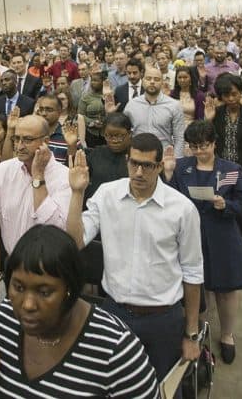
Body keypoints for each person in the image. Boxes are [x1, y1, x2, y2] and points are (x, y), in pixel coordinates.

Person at [66, 133, 203, 389]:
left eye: (147, 166)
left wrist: (191, 334)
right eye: (134, 163)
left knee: (163, 388)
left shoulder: (182, 209)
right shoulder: (108, 195)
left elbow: (193, 273)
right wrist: (77, 193)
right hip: (115, 313)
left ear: (160, 166)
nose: (139, 172)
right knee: (109, 387)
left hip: (162, 319)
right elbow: (75, 242)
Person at [0, 225, 159, 398]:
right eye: (18, 288)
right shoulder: (2, 323)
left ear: (69, 289)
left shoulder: (116, 349)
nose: (27, 304)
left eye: (44, 292)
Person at [170, 120, 242, 364]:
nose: (200, 151)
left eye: (205, 145)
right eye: (194, 146)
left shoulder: (231, 169)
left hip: (222, 236)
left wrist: (226, 205)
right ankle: (196, 332)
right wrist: (165, 174)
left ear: (215, 143)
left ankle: (227, 334)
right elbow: (170, 197)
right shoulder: (181, 167)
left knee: (225, 290)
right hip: (189, 236)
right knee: (194, 287)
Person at [0, 116, 71, 255]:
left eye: (28, 139)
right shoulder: (2, 171)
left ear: (46, 141)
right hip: (13, 263)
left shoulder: (65, 177)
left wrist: (38, 176)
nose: (20, 146)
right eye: (16, 139)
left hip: (49, 266)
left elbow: (56, 227)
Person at [205, 73, 242, 263]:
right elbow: (205, 140)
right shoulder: (217, 115)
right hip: (221, 174)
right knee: (222, 212)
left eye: (234, 94)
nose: (231, 99)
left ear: (240, 93)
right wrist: (208, 120)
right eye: (226, 95)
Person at [124, 66, 187, 157]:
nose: (152, 82)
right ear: (143, 80)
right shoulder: (132, 105)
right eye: (148, 78)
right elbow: (125, 133)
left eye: (156, 79)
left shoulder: (174, 105)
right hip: (137, 156)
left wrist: (177, 161)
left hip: (163, 157)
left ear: (162, 82)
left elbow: (179, 137)